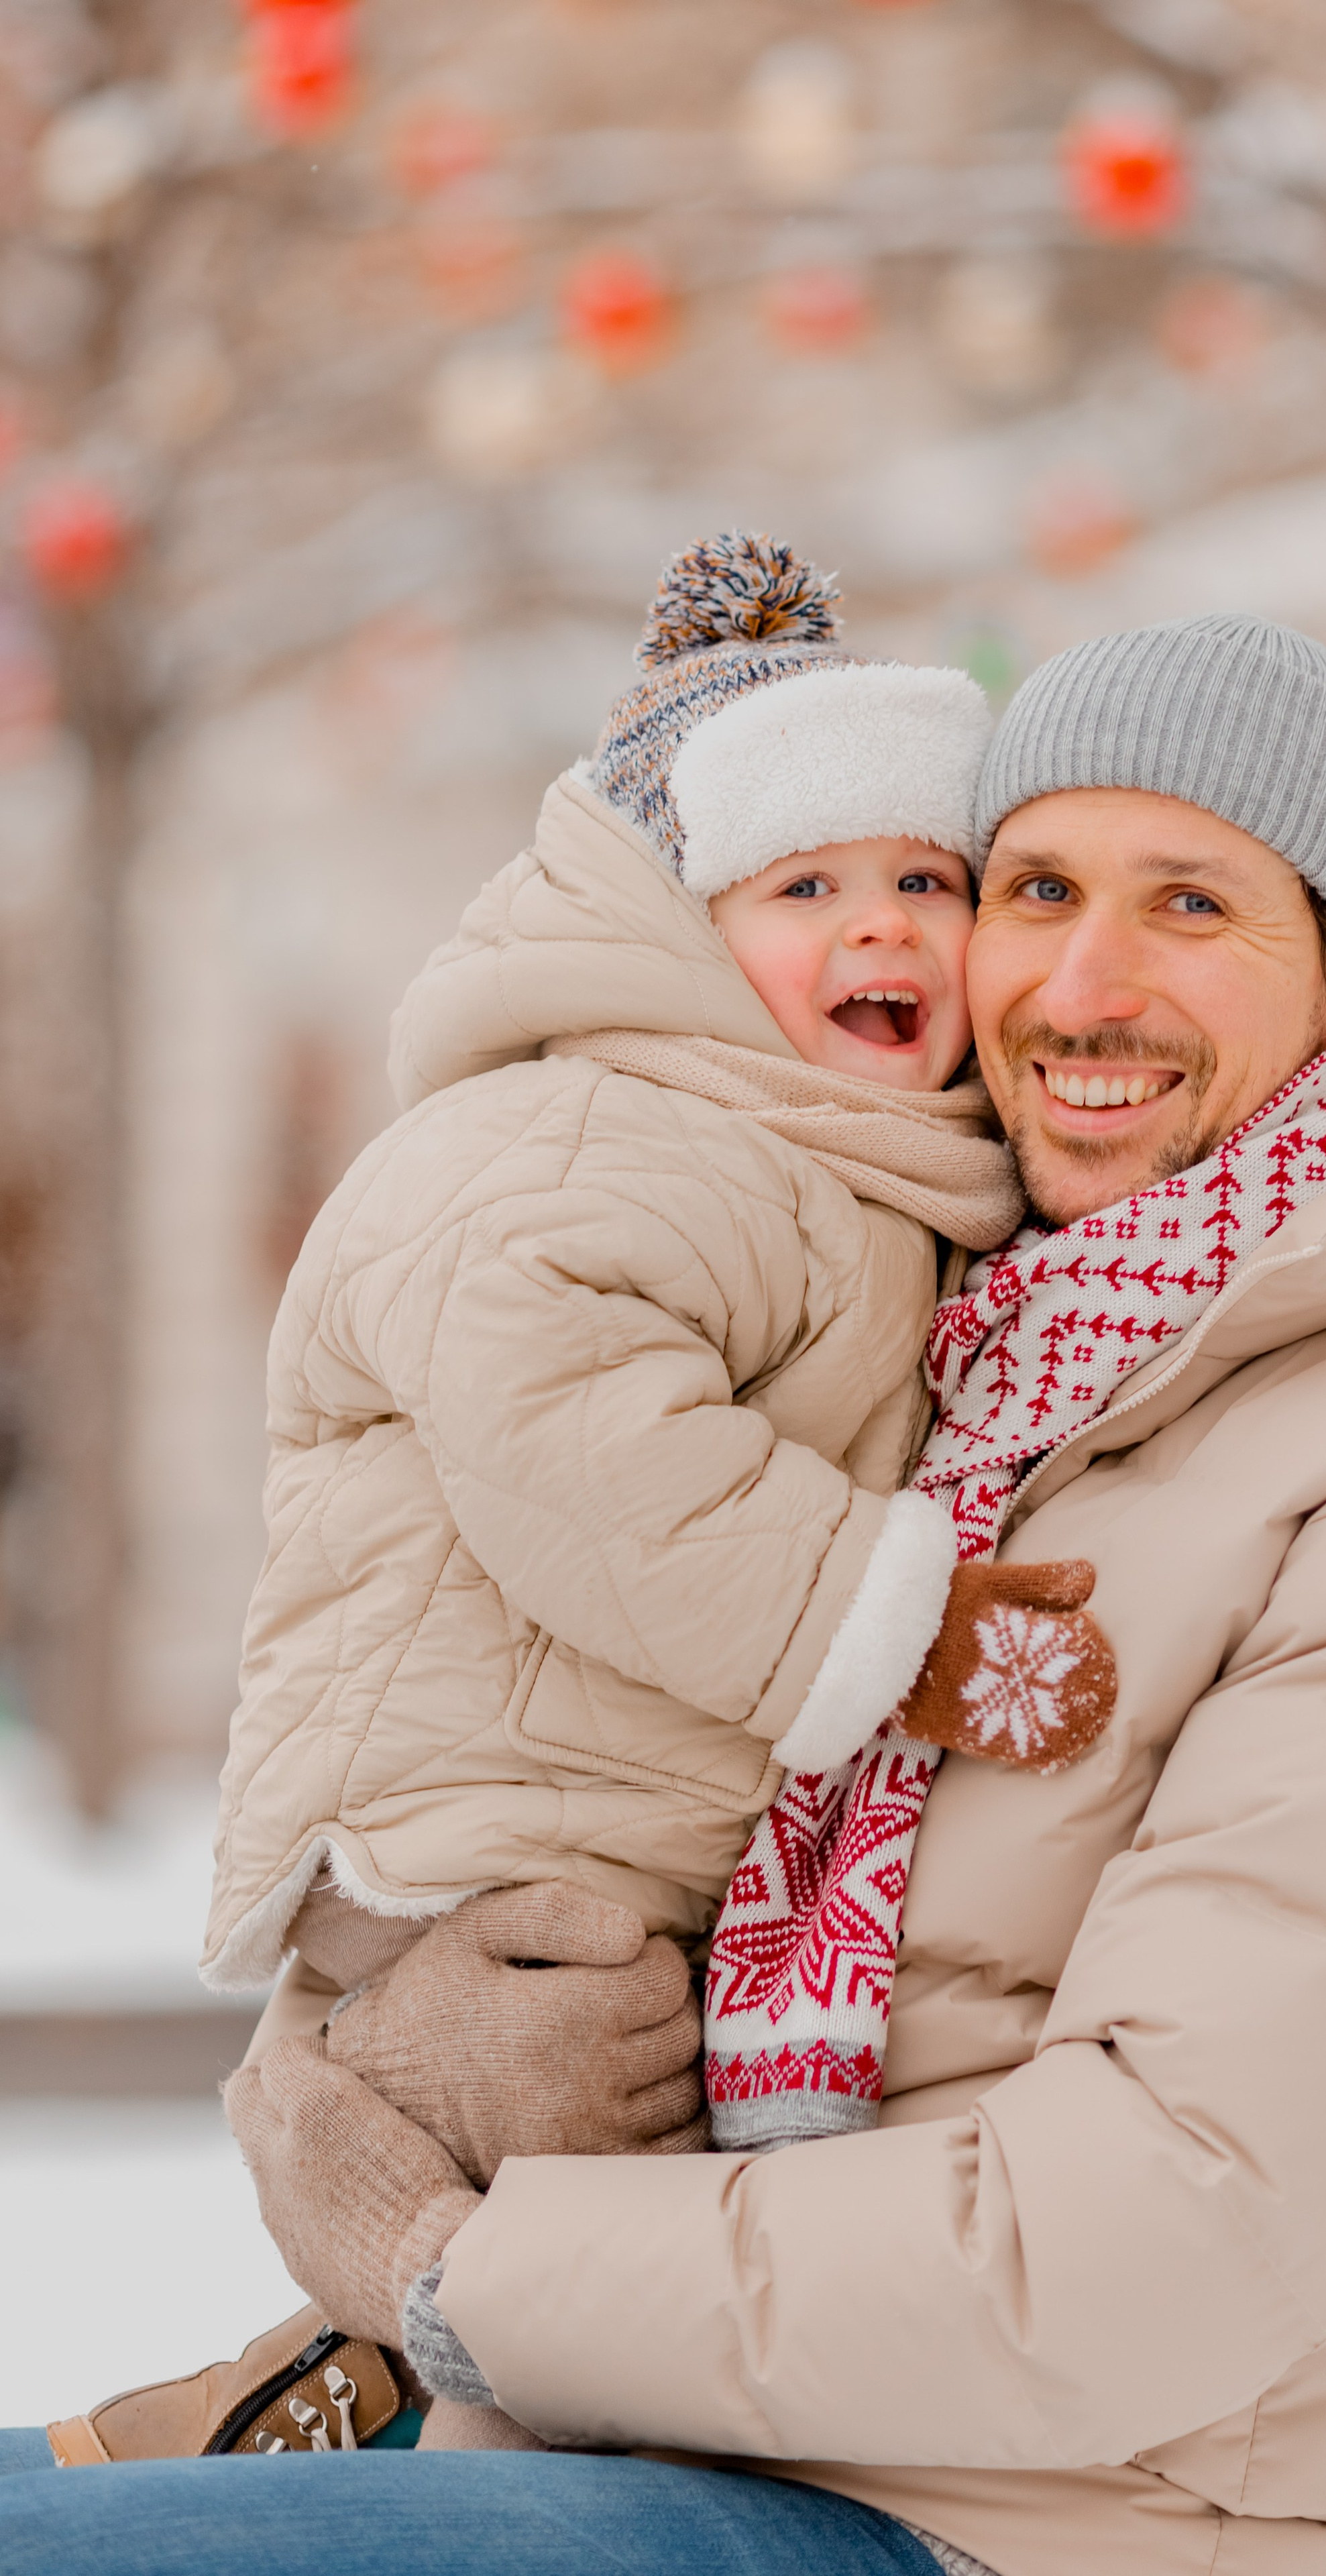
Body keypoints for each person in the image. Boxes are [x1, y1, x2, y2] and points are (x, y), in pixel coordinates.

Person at [8, 614, 1326, 2576]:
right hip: (664, 2445)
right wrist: (405, 2068)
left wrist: (457, 2259)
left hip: (1031, 2537)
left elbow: (1122, 2265)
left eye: (1193, 907)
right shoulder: (996, 1383)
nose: (1084, 982)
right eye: (1039, 888)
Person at [188, 529, 1117, 2443]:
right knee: (569, 2235)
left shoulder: (835, 1153)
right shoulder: (598, 1129)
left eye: (921, 881)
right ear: (684, 918)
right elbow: (572, 1430)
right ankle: (431, 2462)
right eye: (805, 885)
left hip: (606, 1827)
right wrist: (891, 1624)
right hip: (493, 1849)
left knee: (593, 2251)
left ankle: (324, 2411)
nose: (877, 929)